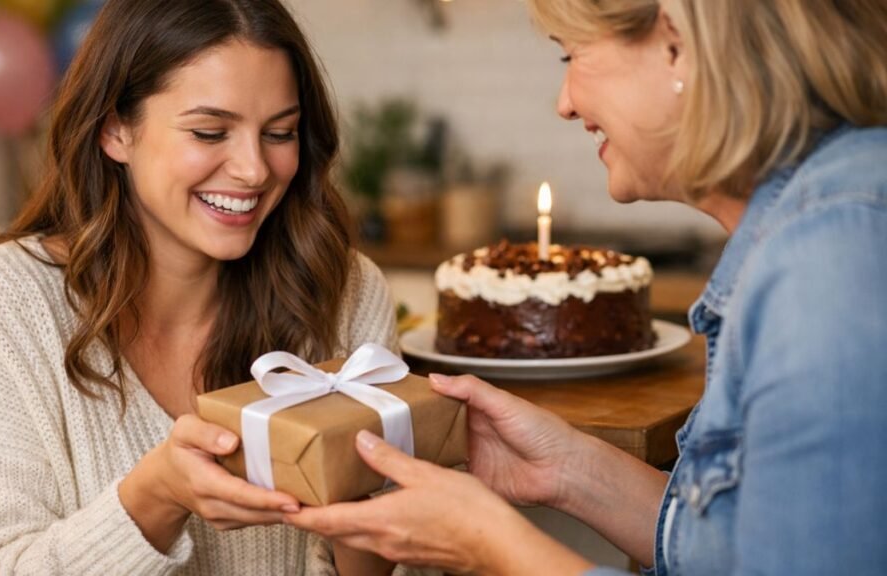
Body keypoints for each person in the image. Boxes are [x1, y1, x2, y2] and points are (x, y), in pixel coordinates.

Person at [286, 0, 887, 574]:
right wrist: (571, 470)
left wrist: (490, 543)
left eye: (570, 55)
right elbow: (747, 547)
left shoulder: (829, 259)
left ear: (677, 45)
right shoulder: (812, 228)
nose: (565, 103)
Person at [0, 0, 404, 574]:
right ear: (116, 129)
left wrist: (366, 498)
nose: (254, 169)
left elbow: (402, 559)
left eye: (280, 132)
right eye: (209, 131)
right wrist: (157, 497)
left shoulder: (341, 288)